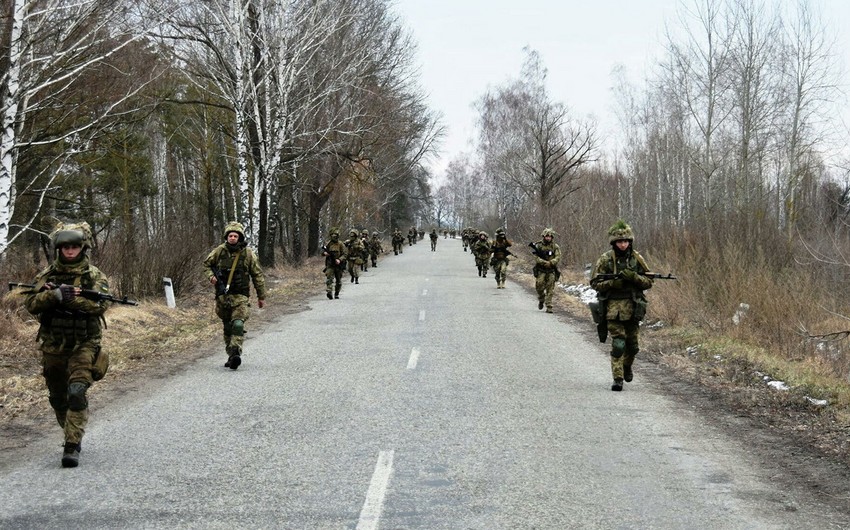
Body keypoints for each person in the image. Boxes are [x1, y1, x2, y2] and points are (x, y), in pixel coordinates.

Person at [24, 221, 111, 468]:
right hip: (53, 344)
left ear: (82, 248)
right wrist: (55, 295)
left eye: (74, 247)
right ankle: (70, 430)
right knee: (58, 397)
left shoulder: (93, 276)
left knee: (76, 392)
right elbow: (31, 304)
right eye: (65, 247)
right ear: (59, 249)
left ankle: (72, 444)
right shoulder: (47, 275)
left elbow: (100, 306)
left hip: (85, 343)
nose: (70, 251)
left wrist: (72, 300)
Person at [590, 220, 654, 391]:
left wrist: (634, 278)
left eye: (626, 241)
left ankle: (626, 366)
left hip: (633, 308)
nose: (623, 244)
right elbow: (595, 283)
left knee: (633, 347)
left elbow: (649, 281)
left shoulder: (636, 258)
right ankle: (617, 378)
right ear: (614, 242)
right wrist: (613, 283)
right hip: (613, 309)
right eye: (620, 241)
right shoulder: (605, 259)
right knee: (619, 344)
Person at [203, 222, 266, 371]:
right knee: (227, 327)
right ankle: (231, 355)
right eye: (230, 235)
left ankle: (236, 351)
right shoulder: (219, 251)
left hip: (241, 296)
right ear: (226, 237)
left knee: (238, 324)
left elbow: (257, 275)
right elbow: (206, 265)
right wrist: (211, 276)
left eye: (235, 236)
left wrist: (261, 296)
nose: (232, 238)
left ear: (240, 237)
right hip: (223, 297)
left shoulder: (248, 253)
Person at [532, 228, 561, 313]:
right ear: (544, 236)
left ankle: (549, 306)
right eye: (547, 236)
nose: (548, 238)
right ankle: (541, 298)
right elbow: (536, 257)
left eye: (550, 236)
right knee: (539, 286)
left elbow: (558, 257)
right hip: (541, 269)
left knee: (550, 288)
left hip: (551, 270)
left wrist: (551, 262)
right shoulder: (538, 245)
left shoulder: (555, 246)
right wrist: (544, 262)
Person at [322, 228, 348, 299]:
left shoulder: (341, 244)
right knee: (329, 279)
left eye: (336, 235)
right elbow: (323, 253)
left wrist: (339, 259)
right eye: (333, 235)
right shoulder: (328, 244)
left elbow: (345, 254)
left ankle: (336, 293)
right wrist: (325, 253)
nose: (334, 237)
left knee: (338, 281)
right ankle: (329, 292)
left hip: (338, 265)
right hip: (330, 264)